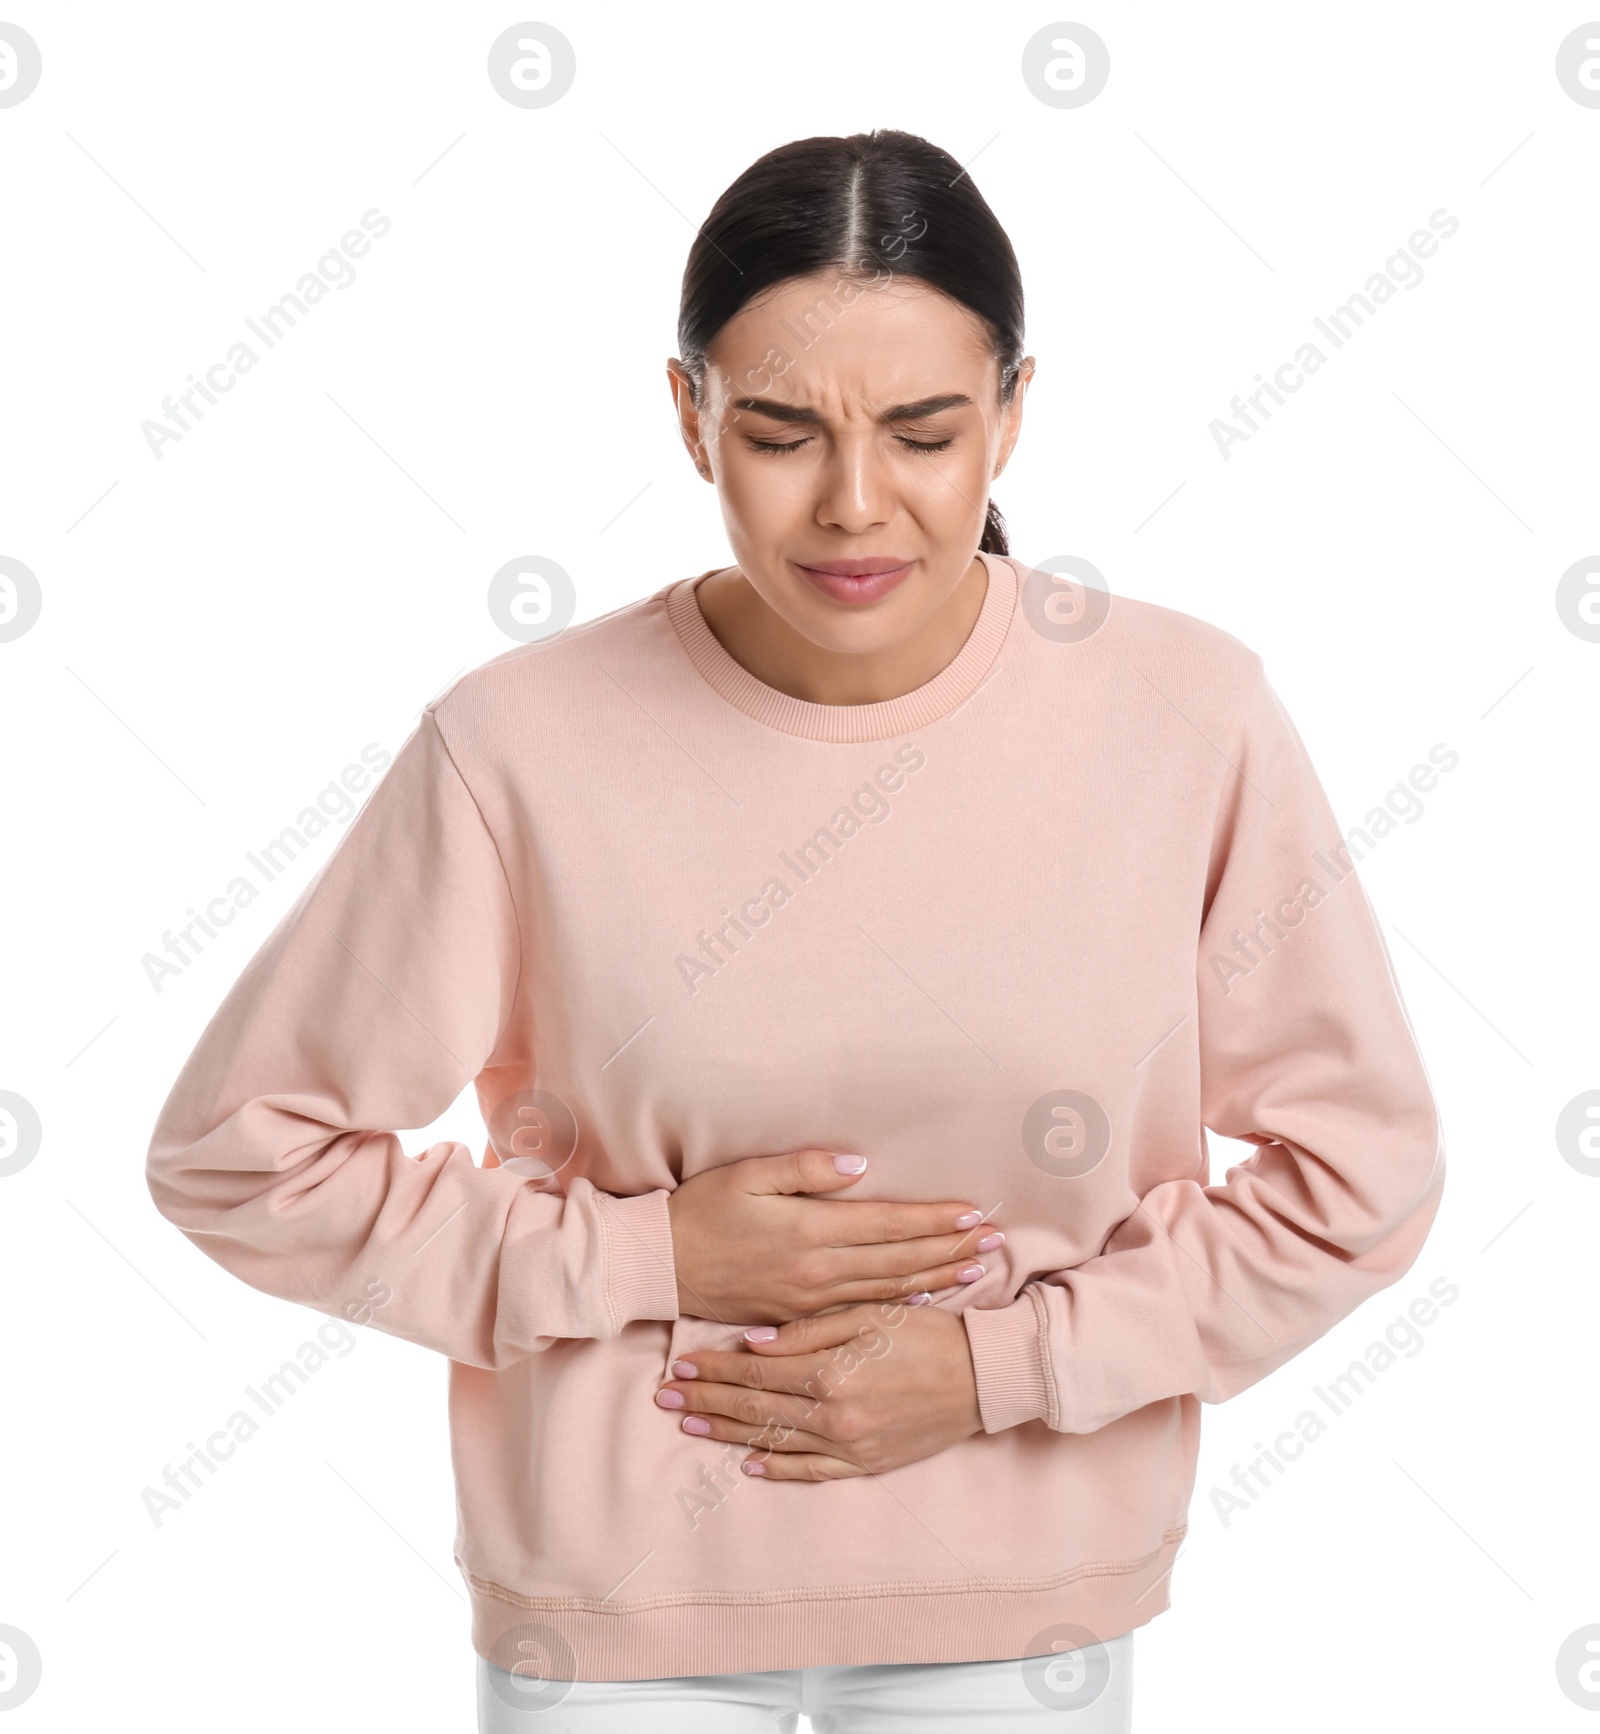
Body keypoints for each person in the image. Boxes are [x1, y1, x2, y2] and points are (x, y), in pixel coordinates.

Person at [146, 129, 1445, 1731]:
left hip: (1018, 1611)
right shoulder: (517, 744)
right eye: (778, 431)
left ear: (1015, 415)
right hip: (619, 1616)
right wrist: (652, 1252)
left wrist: (997, 1369)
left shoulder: (1191, 716)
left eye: (924, 432)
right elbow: (239, 1155)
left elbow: (1361, 1178)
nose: (853, 506)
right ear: (687, 416)